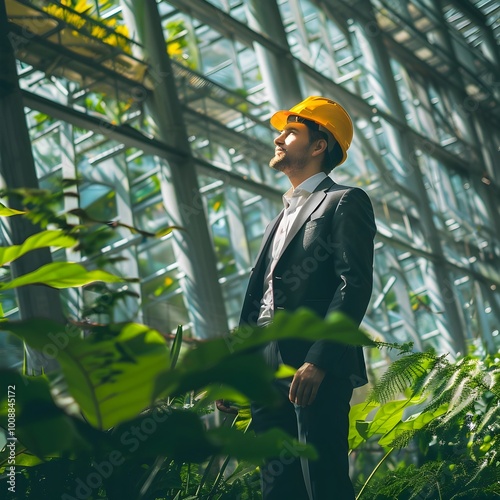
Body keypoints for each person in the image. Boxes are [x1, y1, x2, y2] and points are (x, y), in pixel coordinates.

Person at [218, 96, 376, 499]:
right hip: (265, 363)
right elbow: (259, 301)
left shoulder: (344, 200)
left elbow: (352, 284)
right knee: (278, 486)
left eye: (291, 131)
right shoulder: (279, 217)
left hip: (313, 363)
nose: (279, 138)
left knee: (321, 482)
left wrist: (318, 360)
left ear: (319, 145)